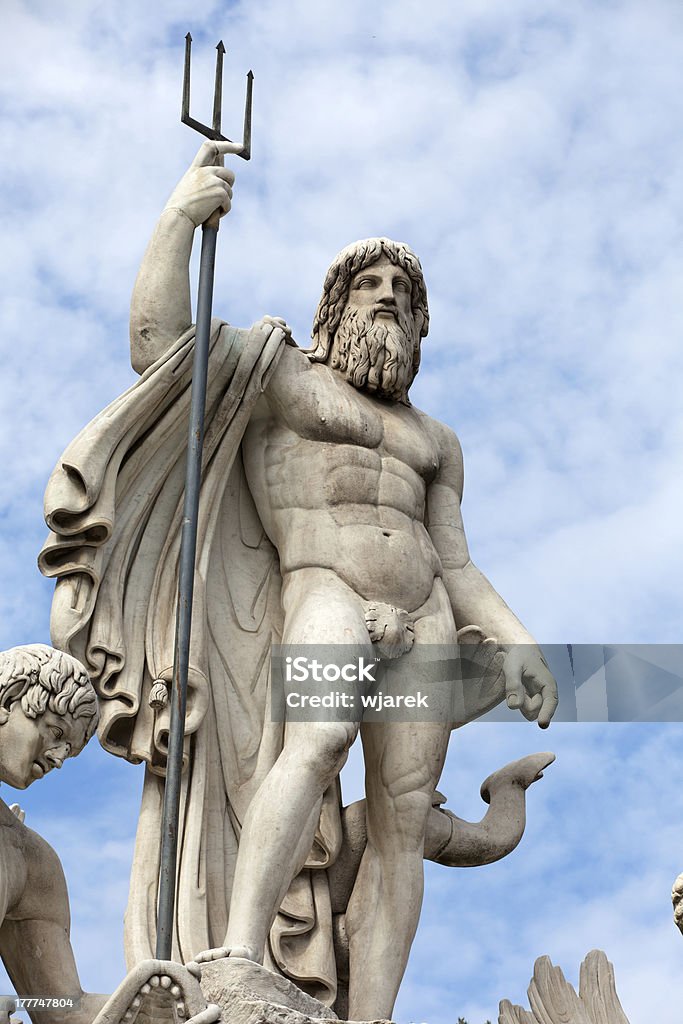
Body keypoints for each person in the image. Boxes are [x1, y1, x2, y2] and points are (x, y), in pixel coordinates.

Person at [40, 141, 558, 1021]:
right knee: (313, 746)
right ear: (337, 303)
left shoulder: (435, 441)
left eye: (404, 293)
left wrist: (516, 642)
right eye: (370, 286)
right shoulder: (276, 375)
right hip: (325, 590)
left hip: (427, 613)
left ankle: (372, 1015)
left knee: (398, 821)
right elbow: (159, 346)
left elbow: (457, 560)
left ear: (421, 324)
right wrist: (178, 219)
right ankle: (239, 953)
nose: (388, 298)